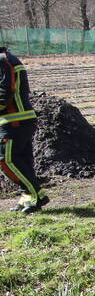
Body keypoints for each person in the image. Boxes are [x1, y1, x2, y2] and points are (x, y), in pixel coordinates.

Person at [0, 46, 46, 213]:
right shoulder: (6, 58)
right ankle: (29, 195)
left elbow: (5, 93)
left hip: (15, 121)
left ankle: (36, 196)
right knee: (23, 162)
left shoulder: (2, 60)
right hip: (18, 121)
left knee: (6, 159)